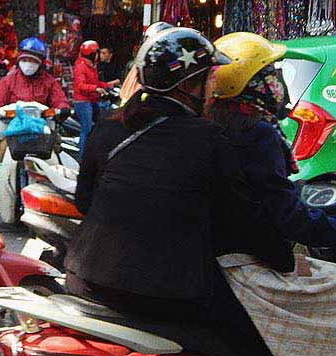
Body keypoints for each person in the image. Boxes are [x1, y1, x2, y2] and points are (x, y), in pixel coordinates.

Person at [69, 27, 274, 355]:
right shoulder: (210, 139)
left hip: (84, 279)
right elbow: (244, 223)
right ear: (189, 85)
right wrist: (279, 255)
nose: (212, 89)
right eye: (208, 79)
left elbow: (84, 203)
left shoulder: (107, 126)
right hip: (162, 296)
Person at [208, 32, 336, 355]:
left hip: (220, 257)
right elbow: (289, 218)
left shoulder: (214, 124)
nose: (277, 84)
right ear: (249, 85)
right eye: (269, 75)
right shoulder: (256, 134)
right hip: (243, 264)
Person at [0, 37, 70, 113]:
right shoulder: (9, 80)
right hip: (11, 124)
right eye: (24, 60)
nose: (28, 64)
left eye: (33, 61)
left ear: (40, 64)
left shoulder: (48, 81)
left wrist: (63, 108)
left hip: (41, 123)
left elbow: (59, 99)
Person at [73, 40, 118, 154]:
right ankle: (83, 156)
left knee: (98, 127)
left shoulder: (92, 65)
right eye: (97, 53)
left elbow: (95, 81)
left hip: (92, 100)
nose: (99, 55)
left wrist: (107, 85)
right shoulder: (80, 66)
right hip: (82, 102)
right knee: (87, 130)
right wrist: (95, 89)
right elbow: (80, 85)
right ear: (92, 54)